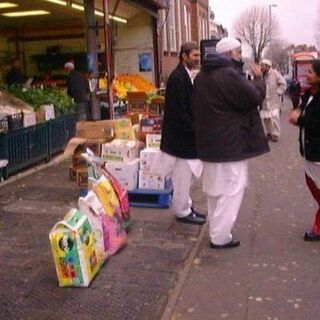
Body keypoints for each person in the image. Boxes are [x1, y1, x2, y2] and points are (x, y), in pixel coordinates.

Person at [193, 37, 269, 249]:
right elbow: (253, 97)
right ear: (228, 54)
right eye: (237, 52)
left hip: (209, 145)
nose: (240, 56)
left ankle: (217, 231)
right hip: (230, 144)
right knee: (233, 189)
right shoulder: (228, 74)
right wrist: (258, 79)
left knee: (215, 191)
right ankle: (220, 236)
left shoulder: (202, 76)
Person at [152, 42, 205, 225]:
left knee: (187, 177)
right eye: (194, 55)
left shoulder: (186, 75)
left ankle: (187, 206)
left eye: (198, 55)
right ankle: (182, 211)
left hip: (185, 138)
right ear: (184, 56)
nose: (198, 58)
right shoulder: (177, 78)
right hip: (181, 139)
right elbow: (179, 111)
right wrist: (194, 129)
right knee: (182, 177)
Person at [289, 60, 320, 241]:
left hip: (318, 151)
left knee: (315, 184)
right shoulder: (309, 93)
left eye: (310, 72)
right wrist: (298, 111)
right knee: (310, 181)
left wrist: (298, 120)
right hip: (309, 149)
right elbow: (302, 107)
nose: (306, 74)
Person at [259, 59, 287, 142]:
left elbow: (283, 84)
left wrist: (278, 92)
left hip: (273, 100)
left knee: (275, 118)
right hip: (264, 101)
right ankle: (268, 133)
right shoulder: (260, 74)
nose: (261, 67)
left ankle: (275, 134)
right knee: (265, 118)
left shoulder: (275, 73)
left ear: (267, 66)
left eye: (263, 66)